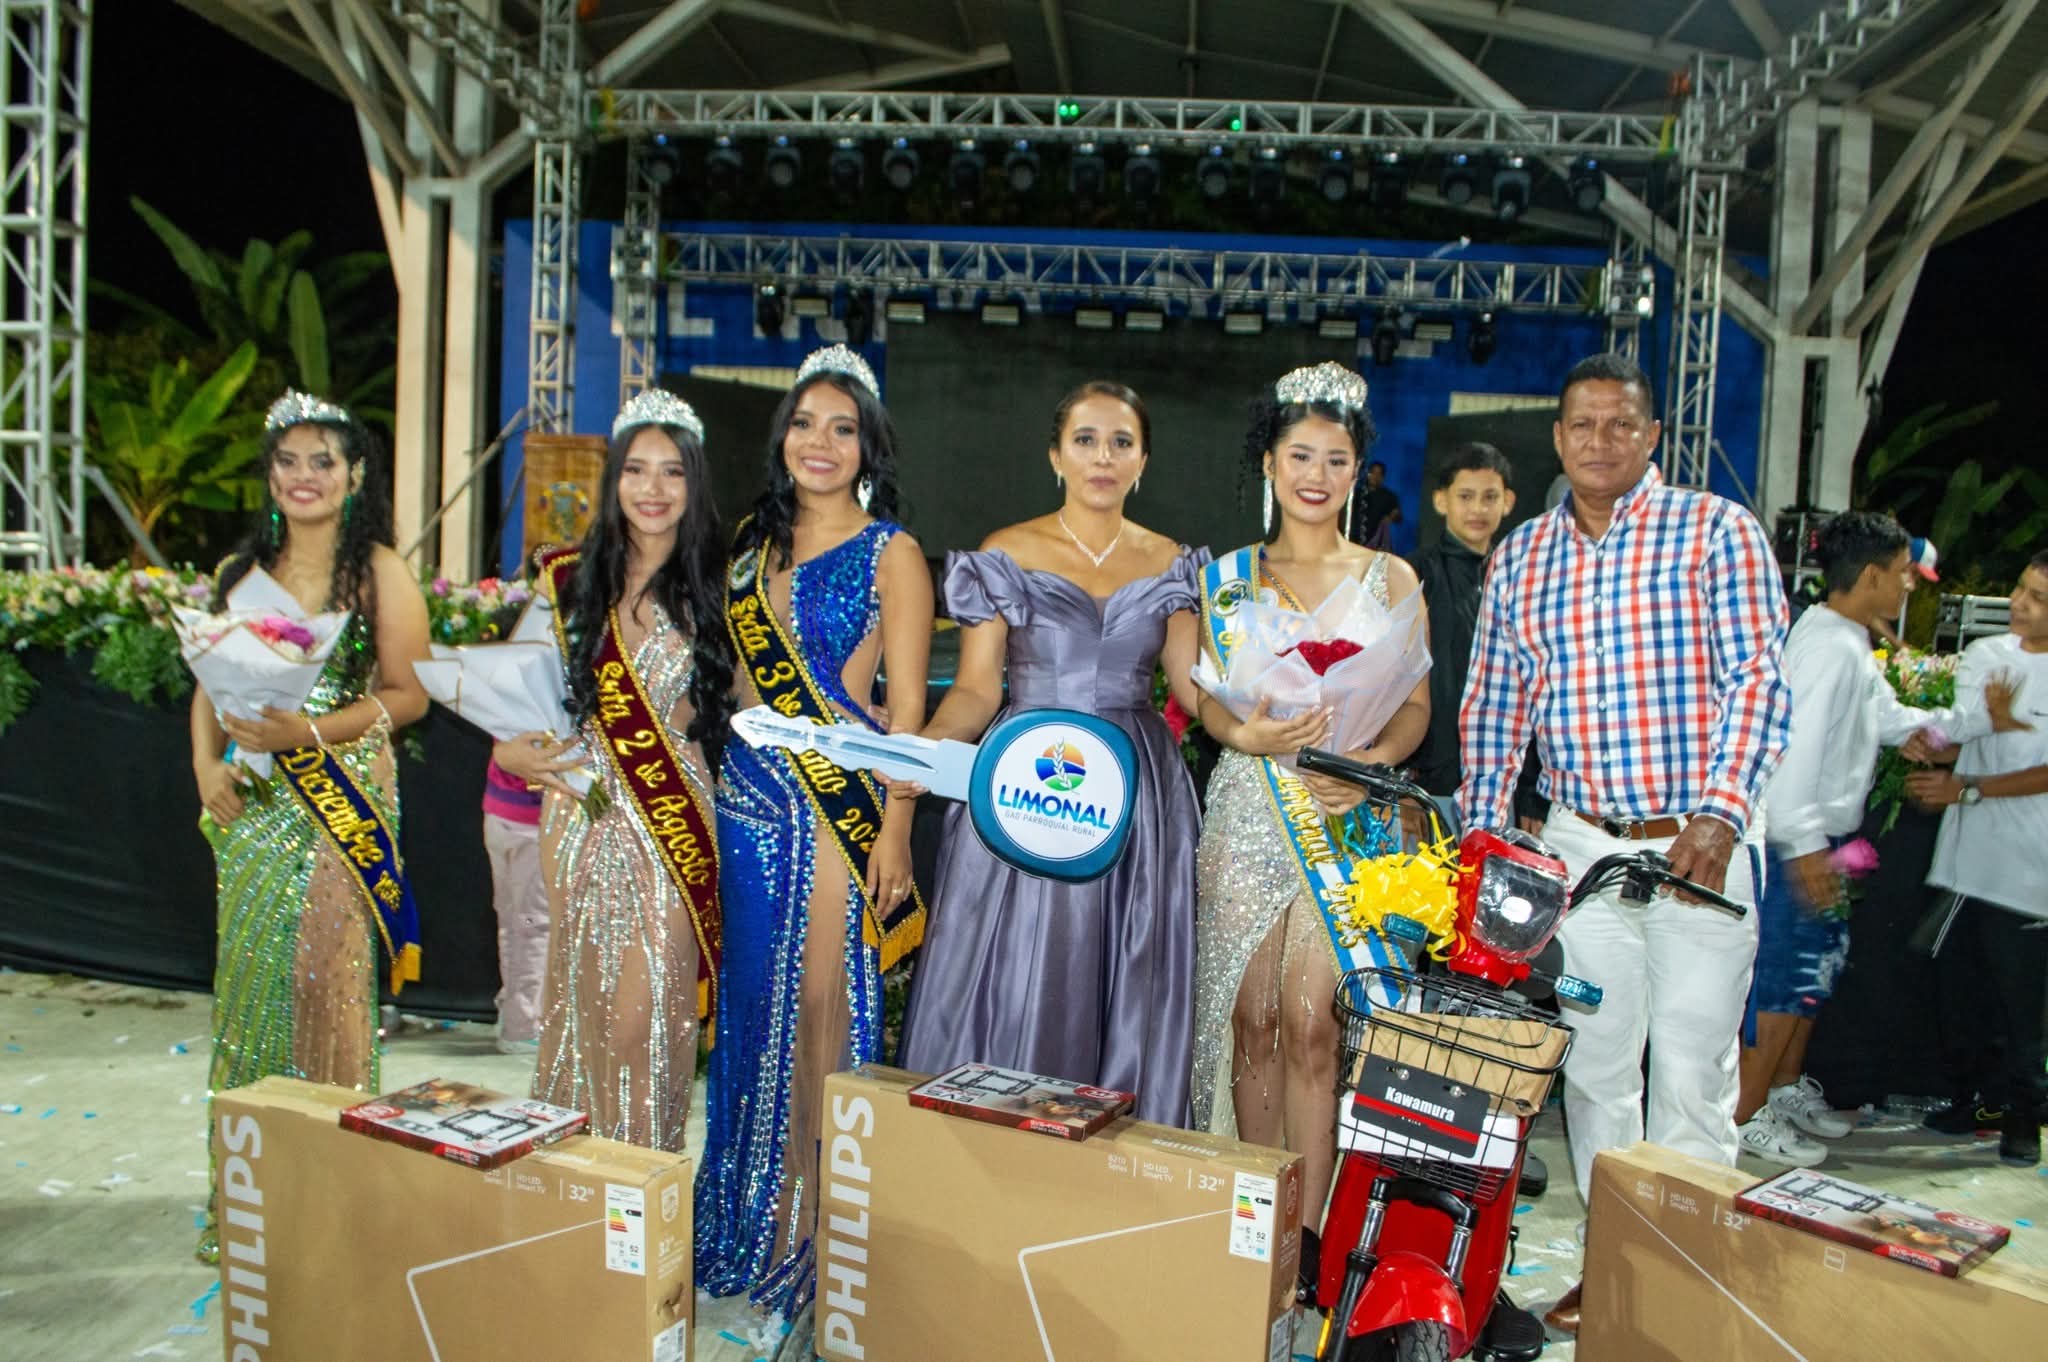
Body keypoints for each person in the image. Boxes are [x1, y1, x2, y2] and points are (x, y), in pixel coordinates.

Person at [1457, 354, 1791, 1335]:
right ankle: (1615, 1268)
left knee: (1690, 1072)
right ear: (1557, 438)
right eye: (1581, 425)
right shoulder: (1522, 556)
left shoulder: (1715, 532)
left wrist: (1721, 813)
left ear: (1652, 436)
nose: (1599, 441)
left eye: (1620, 424)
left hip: (1699, 851)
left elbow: (1758, 682)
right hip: (1580, 853)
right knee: (1597, 1068)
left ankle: (1687, 1278)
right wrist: (1483, 842)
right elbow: (1494, 710)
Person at [695, 346, 932, 1339]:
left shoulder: (892, 553)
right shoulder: (747, 548)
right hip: (744, 803)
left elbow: (908, 710)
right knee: (753, 1008)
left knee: (822, 1008)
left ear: (868, 447)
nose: (820, 443)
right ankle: (745, 1221)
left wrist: (896, 830)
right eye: (804, 424)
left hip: (835, 809)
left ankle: (815, 1235)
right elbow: (725, 682)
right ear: (781, 437)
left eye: (843, 428)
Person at [896, 380, 1205, 1128]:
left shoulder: (1173, 564)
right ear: (1055, 456)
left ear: (1143, 462)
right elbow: (977, 689)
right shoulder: (1007, 552)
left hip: (1136, 793)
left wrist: (1282, 719)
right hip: (1025, 782)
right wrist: (925, 747)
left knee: (1130, 971)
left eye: (1122, 443)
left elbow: (1196, 692)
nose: (1104, 457)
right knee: (1018, 967)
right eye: (1085, 440)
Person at [190, 391, 430, 1262]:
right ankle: (250, 1197)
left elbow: (408, 695)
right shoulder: (240, 575)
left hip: (342, 796)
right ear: (269, 476)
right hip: (255, 806)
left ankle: (331, 1195)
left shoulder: (380, 572)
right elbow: (208, 687)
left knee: (330, 983)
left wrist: (309, 731)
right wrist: (205, 767)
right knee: (250, 983)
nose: (303, 477)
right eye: (287, 461)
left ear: (354, 474)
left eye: (322, 461)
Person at [1187, 362, 1429, 1227]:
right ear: (1269, 463)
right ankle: (1259, 1226)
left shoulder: (1392, 579)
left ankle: (1315, 1238)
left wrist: (1367, 761)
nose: (1316, 476)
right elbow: (1205, 697)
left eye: (1335, 460)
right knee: (1253, 1018)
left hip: (1343, 816)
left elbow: (1415, 709)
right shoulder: (1226, 577)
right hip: (1250, 809)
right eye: (1299, 456)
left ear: (1358, 470)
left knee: (1313, 1020)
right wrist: (1240, 733)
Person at [496, 389, 734, 1154]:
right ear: (613, 480)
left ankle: (639, 1192)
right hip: (579, 812)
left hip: (671, 819)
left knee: (646, 1018)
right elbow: (515, 699)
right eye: (636, 469)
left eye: (672, 471)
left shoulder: (724, 586)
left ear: (694, 482)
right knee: (580, 1012)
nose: (652, 488)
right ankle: (573, 1193)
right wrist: (510, 750)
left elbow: (758, 706)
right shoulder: (568, 580)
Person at [1735, 515, 2011, 1167]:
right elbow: (1792, 756)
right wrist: (1805, 848)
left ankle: (1780, 1091)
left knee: (1811, 978)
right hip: (1798, 844)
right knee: (1782, 985)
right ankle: (1742, 1115)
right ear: (1869, 576)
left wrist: (1974, 722)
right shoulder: (1828, 649)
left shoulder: (1847, 641)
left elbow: (1892, 719)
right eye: (1902, 573)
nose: (1910, 585)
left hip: (1823, 840)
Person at [1906, 549, 2048, 1167]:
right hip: (1966, 862)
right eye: (2020, 588)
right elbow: (1958, 730)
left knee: (2021, 1003)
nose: (2020, 604)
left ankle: (2024, 1115)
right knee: (1959, 991)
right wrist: (1926, 740)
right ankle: (1977, 1100)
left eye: (2038, 598)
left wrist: (1968, 787)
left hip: (2030, 868)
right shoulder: (1986, 653)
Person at [1407, 442, 1515, 803]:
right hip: (1427, 783)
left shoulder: (1518, 578)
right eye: (1465, 496)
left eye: (1490, 497)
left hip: (1501, 782)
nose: (1478, 509)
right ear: (1441, 501)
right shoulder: (1414, 574)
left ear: (1508, 501)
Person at [482, 755, 548, 1053]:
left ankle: (513, 1012)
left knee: (513, 922)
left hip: (500, 814)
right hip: (530, 823)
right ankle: (523, 1026)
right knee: (533, 926)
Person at [1348, 459, 1401, 549]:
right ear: (1368, 474)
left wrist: (1392, 516)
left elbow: (1397, 517)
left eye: (1379, 474)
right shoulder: (1357, 493)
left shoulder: (1388, 496)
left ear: (1383, 477)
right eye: (1373, 473)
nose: (1375, 477)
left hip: (1377, 543)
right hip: (1354, 541)